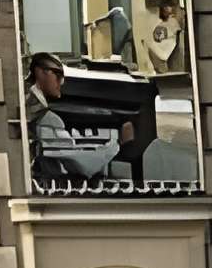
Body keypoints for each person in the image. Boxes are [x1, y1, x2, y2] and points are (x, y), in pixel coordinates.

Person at [25, 54, 138, 183]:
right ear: (40, 73)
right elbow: (84, 165)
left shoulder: (29, 108)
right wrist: (118, 143)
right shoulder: (44, 118)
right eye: (58, 74)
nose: (62, 82)